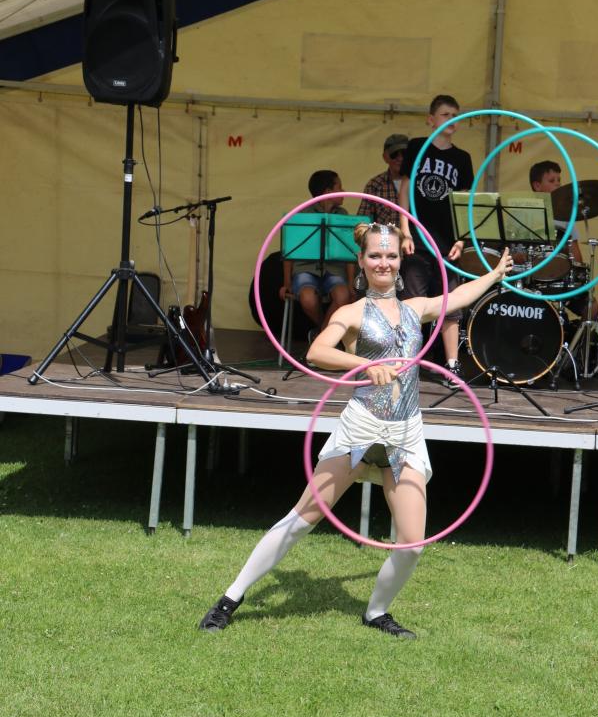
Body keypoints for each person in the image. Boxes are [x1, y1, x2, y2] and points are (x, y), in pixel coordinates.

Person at [199, 222, 513, 640]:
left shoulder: (415, 308)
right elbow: (317, 352)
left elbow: (456, 298)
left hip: (405, 432)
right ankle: (229, 599)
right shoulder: (351, 313)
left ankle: (376, 612)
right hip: (362, 427)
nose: (384, 263)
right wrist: (366, 365)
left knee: (413, 543)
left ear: (400, 260)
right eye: (375, 256)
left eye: (391, 256)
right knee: (301, 520)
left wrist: (494, 275)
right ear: (361, 261)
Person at [397, 94, 474, 387]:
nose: (451, 119)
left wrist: (461, 239)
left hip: (446, 239)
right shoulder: (417, 147)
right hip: (418, 235)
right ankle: (408, 363)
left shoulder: (462, 158)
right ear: (431, 119)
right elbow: (405, 190)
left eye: (455, 115)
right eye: (445, 114)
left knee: (450, 302)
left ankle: (452, 365)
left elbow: (465, 202)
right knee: (413, 301)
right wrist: (405, 229)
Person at [280, 169, 355, 340]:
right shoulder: (301, 215)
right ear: (328, 192)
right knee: (308, 299)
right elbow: (288, 253)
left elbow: (349, 251)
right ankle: (324, 334)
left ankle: (319, 338)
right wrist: (287, 283)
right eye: (339, 187)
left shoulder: (343, 215)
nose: (344, 191)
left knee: (343, 296)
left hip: (334, 270)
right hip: (305, 269)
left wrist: (351, 282)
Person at [529, 160, 598, 319]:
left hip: (559, 278)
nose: (558, 184)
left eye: (559, 180)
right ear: (537, 186)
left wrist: (577, 272)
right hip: (531, 279)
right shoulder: (525, 212)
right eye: (552, 180)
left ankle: (578, 336)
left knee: (592, 308)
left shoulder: (566, 215)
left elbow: (576, 253)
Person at [357, 133, 410, 225]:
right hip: (385, 235)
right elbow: (363, 222)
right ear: (385, 157)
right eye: (394, 154)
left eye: (404, 154)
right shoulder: (374, 185)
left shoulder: (420, 183)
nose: (400, 158)